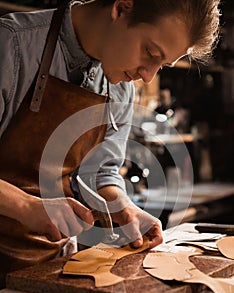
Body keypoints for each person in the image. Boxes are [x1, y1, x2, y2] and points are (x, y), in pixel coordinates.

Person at [0, 0, 220, 276]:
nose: (148, 76)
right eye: (150, 52)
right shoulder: (11, 45)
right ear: (121, 8)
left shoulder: (120, 86)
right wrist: (25, 205)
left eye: (161, 65)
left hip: (50, 266)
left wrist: (124, 210)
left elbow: (100, 174)